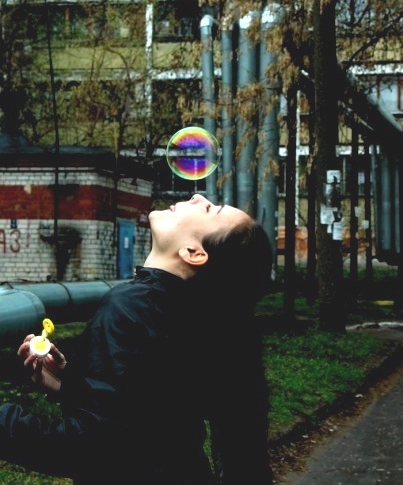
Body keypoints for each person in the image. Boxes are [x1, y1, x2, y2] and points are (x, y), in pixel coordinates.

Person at [0, 194, 274, 484]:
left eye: (209, 209)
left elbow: (89, 447)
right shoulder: (195, 316)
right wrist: (71, 383)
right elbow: (148, 416)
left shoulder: (131, 307)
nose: (197, 196)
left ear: (193, 252)